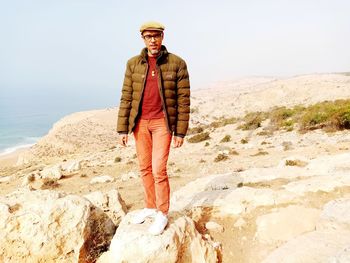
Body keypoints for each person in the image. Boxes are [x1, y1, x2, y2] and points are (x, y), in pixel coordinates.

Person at [117, 21, 190, 235]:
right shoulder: (133, 64)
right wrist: (123, 129)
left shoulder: (177, 63)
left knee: (159, 169)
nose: (153, 40)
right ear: (143, 38)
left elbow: (184, 99)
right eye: (149, 36)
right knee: (145, 168)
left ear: (162, 37)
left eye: (156, 36)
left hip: (163, 124)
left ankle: (162, 213)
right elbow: (127, 96)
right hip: (140, 124)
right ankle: (150, 207)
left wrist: (180, 131)